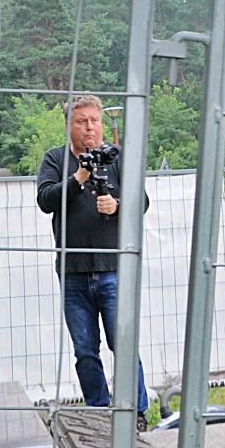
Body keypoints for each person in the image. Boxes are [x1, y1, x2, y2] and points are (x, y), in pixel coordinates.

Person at [36, 95, 149, 423]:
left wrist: (116, 206)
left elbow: (140, 201)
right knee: (85, 352)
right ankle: (99, 417)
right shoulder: (55, 159)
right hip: (73, 272)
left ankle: (136, 414)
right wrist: (79, 178)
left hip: (114, 269)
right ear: (69, 125)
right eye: (81, 121)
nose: (89, 127)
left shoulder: (117, 158)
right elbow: (45, 200)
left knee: (124, 346)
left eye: (94, 121)